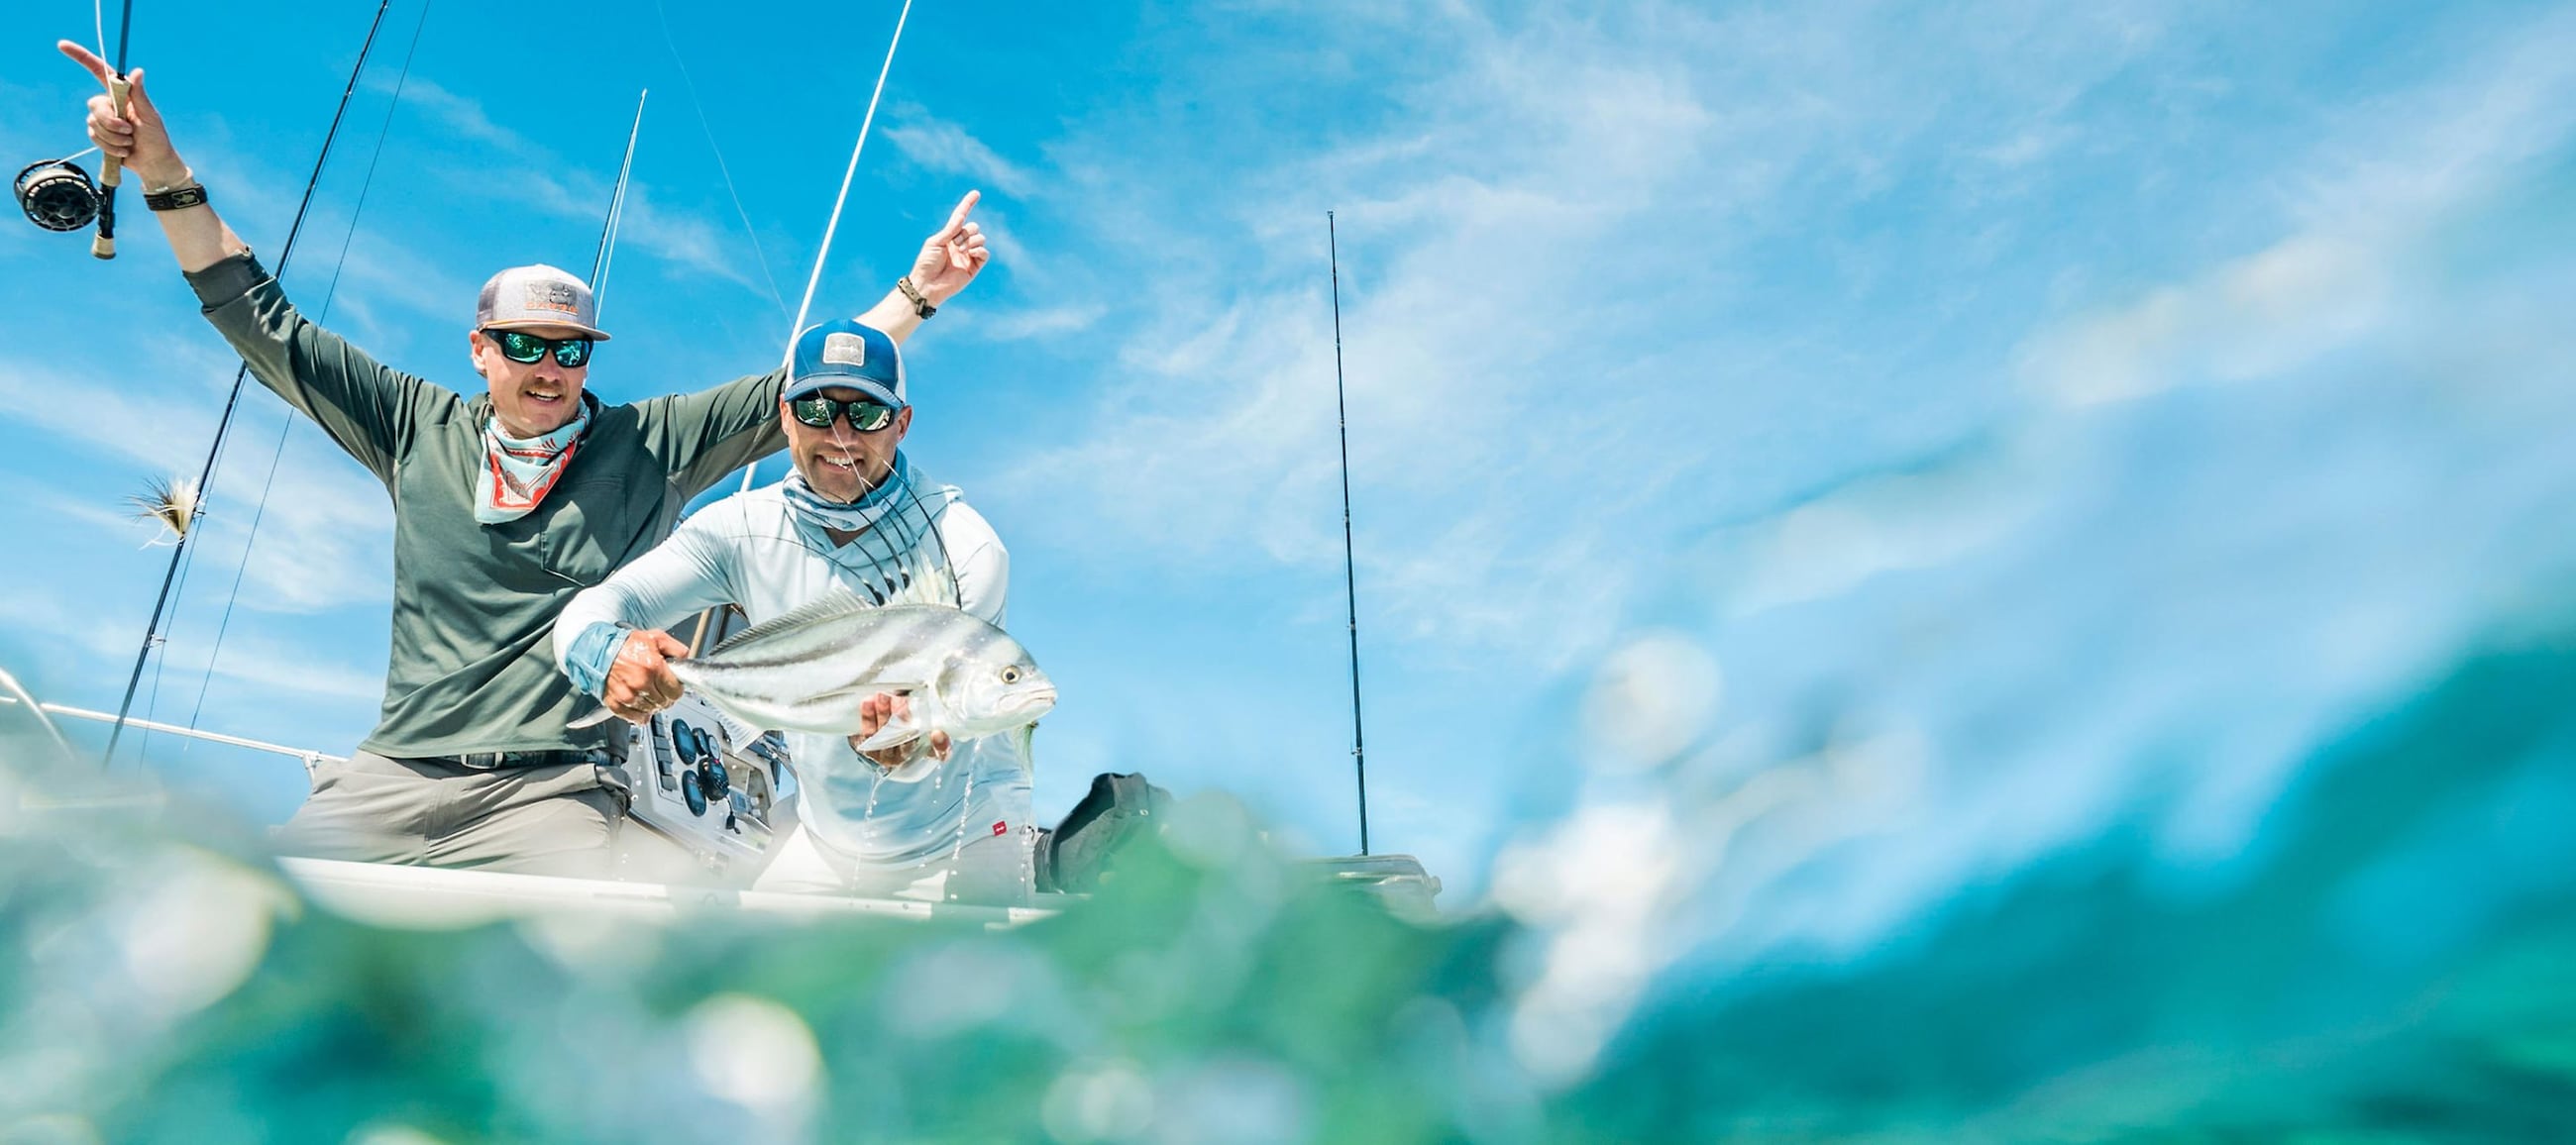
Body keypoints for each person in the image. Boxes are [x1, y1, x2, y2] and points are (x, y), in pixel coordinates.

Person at [62, 43, 991, 875]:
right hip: (389, 773)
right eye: (526, 344)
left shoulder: (648, 443)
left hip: (551, 794)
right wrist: (162, 167)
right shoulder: (409, 423)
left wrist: (920, 291)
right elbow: (260, 320)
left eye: (573, 349)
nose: (550, 369)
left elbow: (808, 390)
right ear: (481, 349)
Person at [554, 320, 1032, 903]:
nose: (842, 436)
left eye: (868, 415)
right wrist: (599, 653)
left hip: (966, 837)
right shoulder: (739, 529)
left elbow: (948, 727)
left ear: (902, 424)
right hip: (826, 839)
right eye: (816, 409)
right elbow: (597, 608)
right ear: (784, 415)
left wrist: (898, 756)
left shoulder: (967, 548)